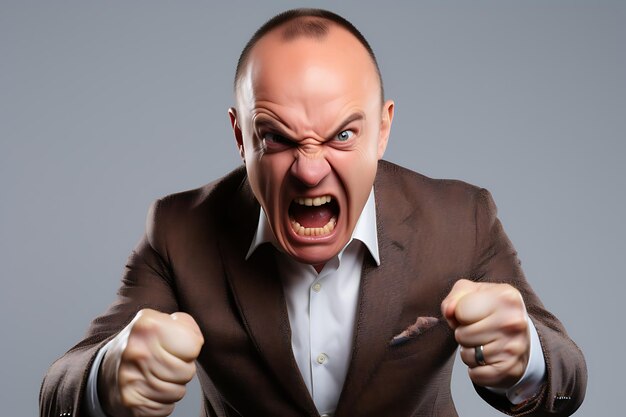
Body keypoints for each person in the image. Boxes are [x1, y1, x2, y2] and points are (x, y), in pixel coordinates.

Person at [40, 8, 586, 417]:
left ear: (383, 129)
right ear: (240, 136)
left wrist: (528, 359)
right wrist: (106, 378)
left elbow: (566, 378)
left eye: (343, 135)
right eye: (276, 138)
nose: (308, 171)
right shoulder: (180, 228)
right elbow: (59, 388)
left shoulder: (462, 216)